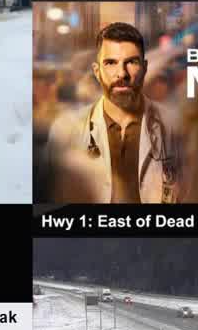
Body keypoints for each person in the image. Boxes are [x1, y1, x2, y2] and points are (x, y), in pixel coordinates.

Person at [44, 22, 184, 203]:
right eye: (110, 63)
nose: (121, 74)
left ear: (145, 67)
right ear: (97, 71)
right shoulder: (66, 129)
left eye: (131, 62)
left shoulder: (175, 126)